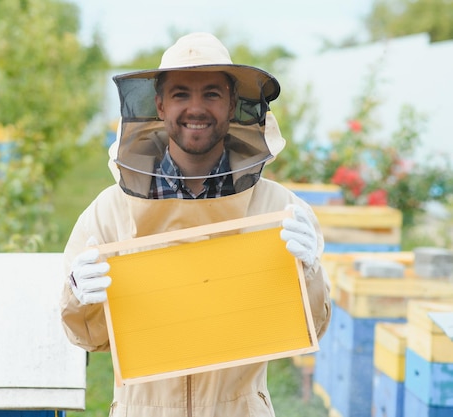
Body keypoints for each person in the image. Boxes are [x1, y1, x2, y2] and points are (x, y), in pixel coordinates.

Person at [60, 32, 331, 417]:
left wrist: (310, 274)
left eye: (212, 93)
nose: (196, 108)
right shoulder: (109, 211)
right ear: (160, 104)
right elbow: (89, 337)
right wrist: (78, 294)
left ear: (233, 103)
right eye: (181, 94)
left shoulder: (280, 208)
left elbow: (313, 329)